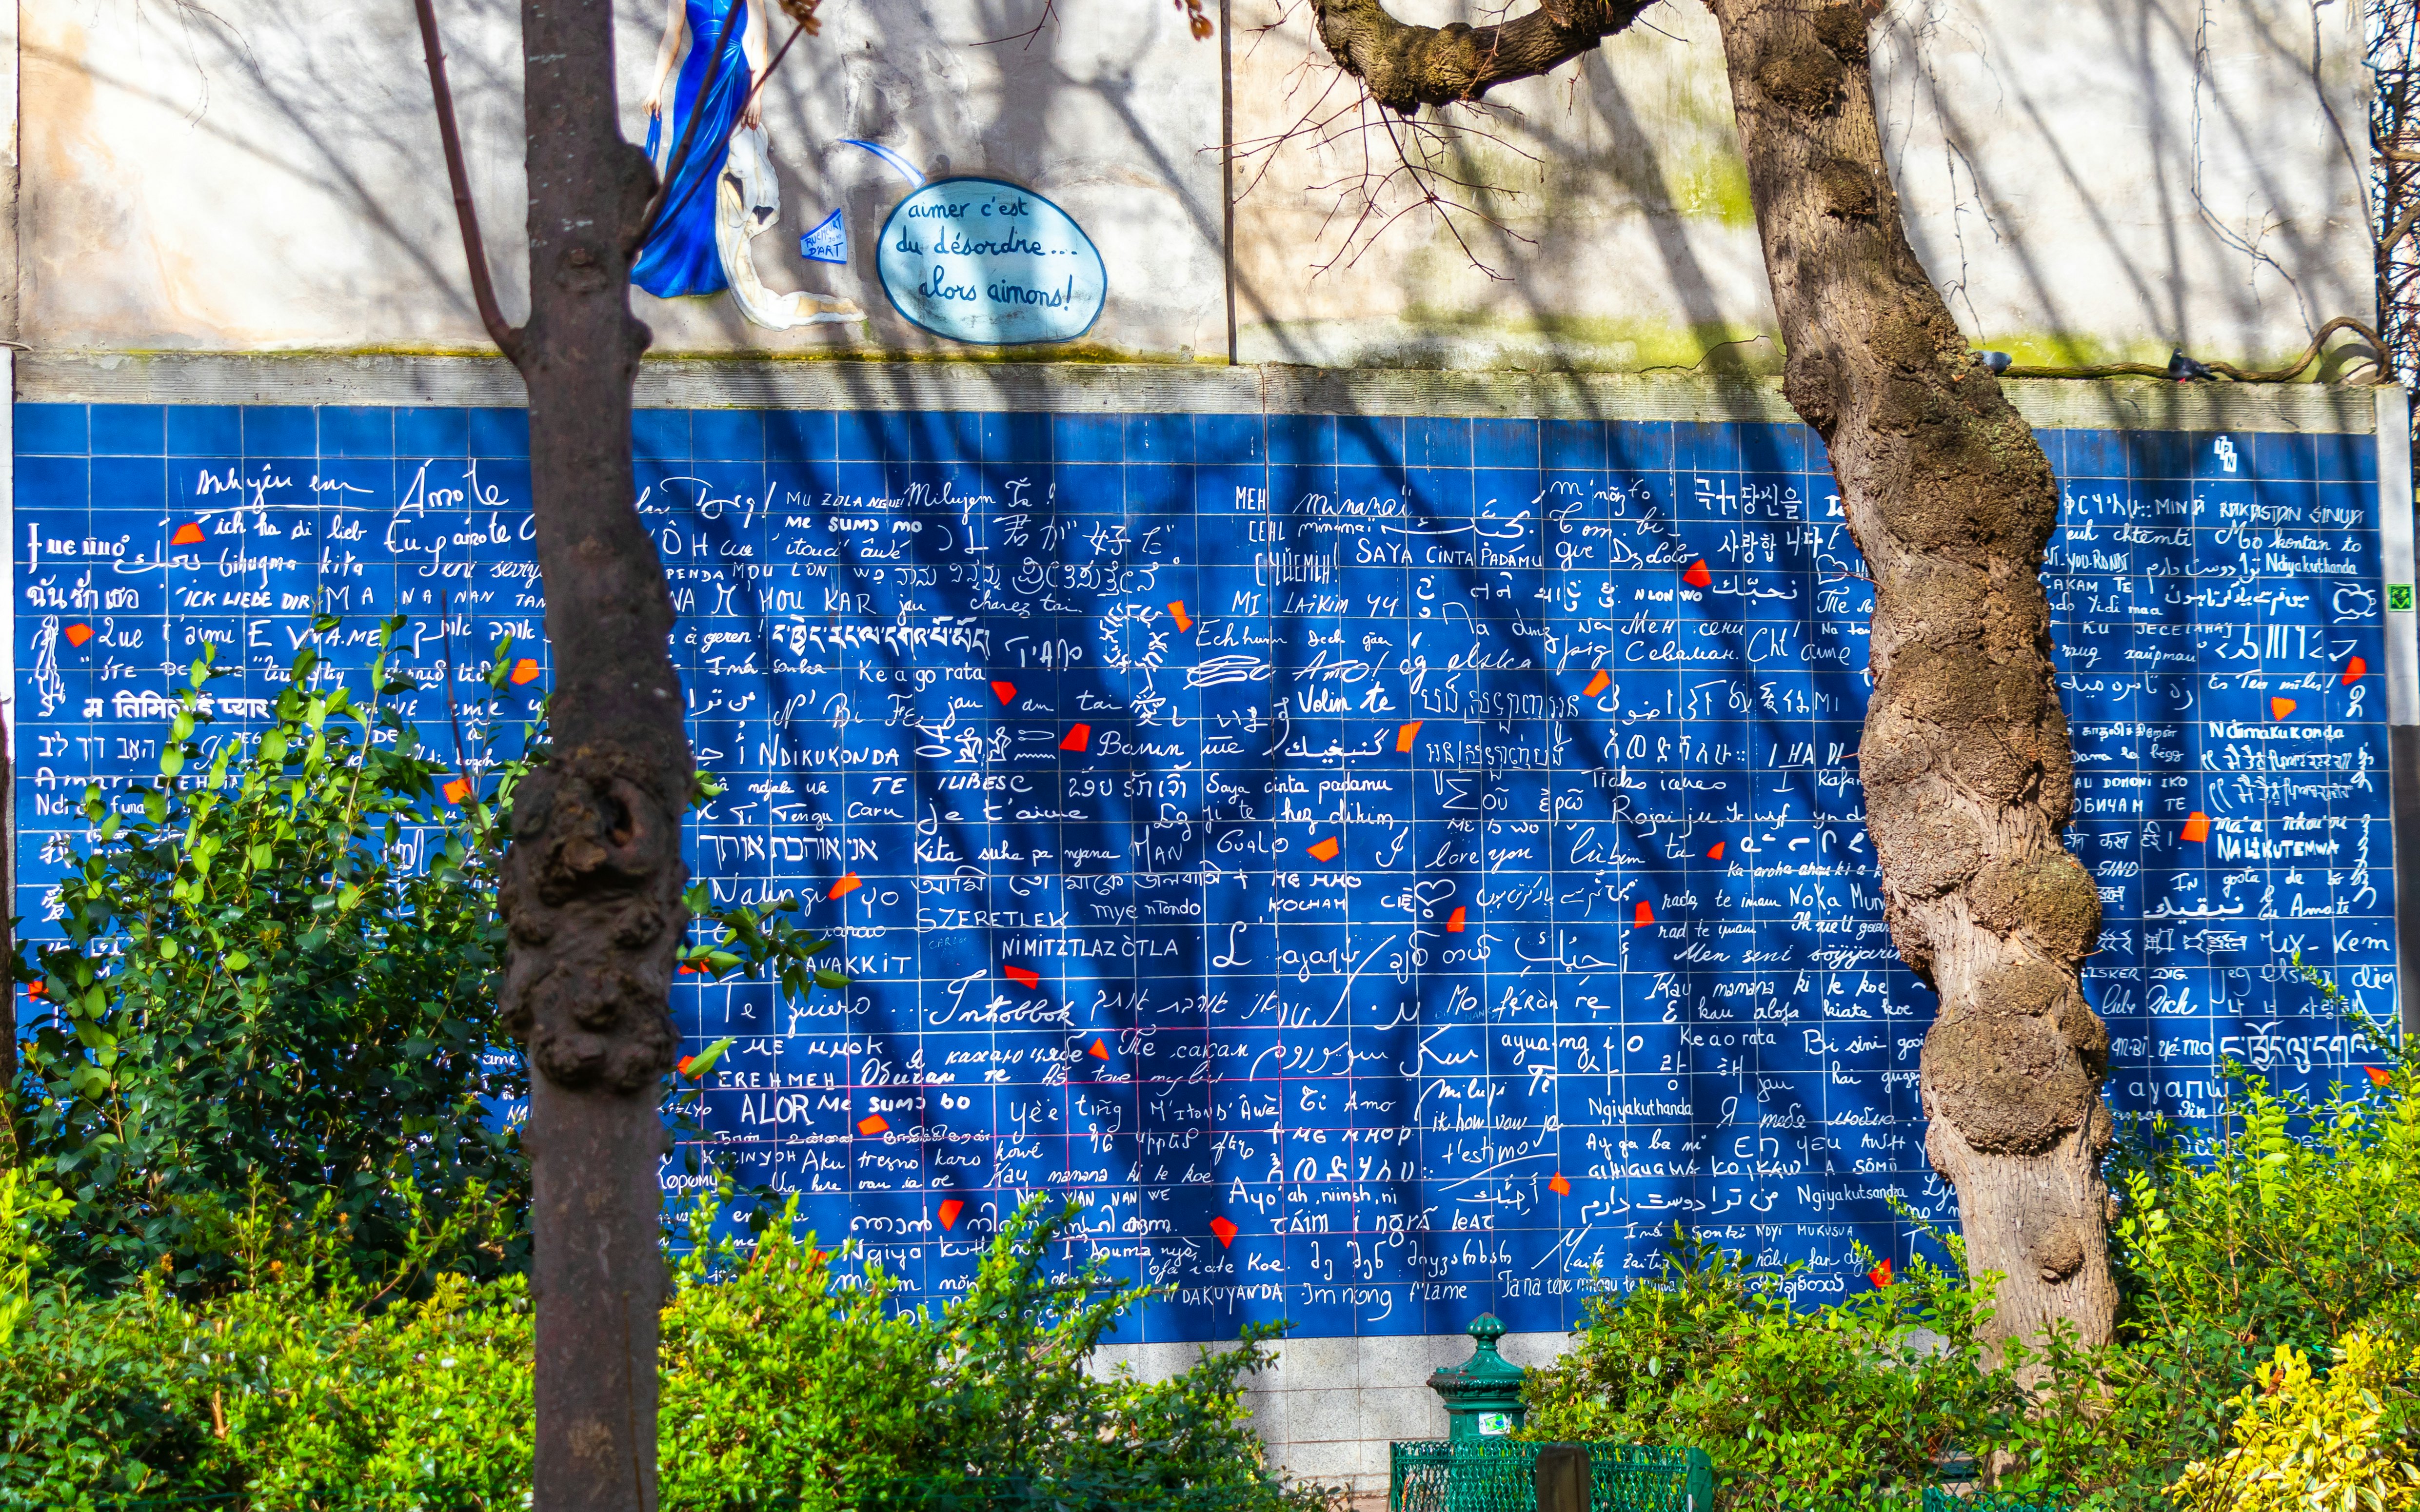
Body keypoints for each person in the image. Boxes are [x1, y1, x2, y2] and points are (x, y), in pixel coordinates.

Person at [634, 0, 768, 299]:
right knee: (684, 165)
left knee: (714, 172)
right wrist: (656, 87)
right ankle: (669, 258)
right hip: (696, 79)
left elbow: (759, 44)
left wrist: (757, 95)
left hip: (733, 79)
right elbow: (673, 35)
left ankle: (706, 263)